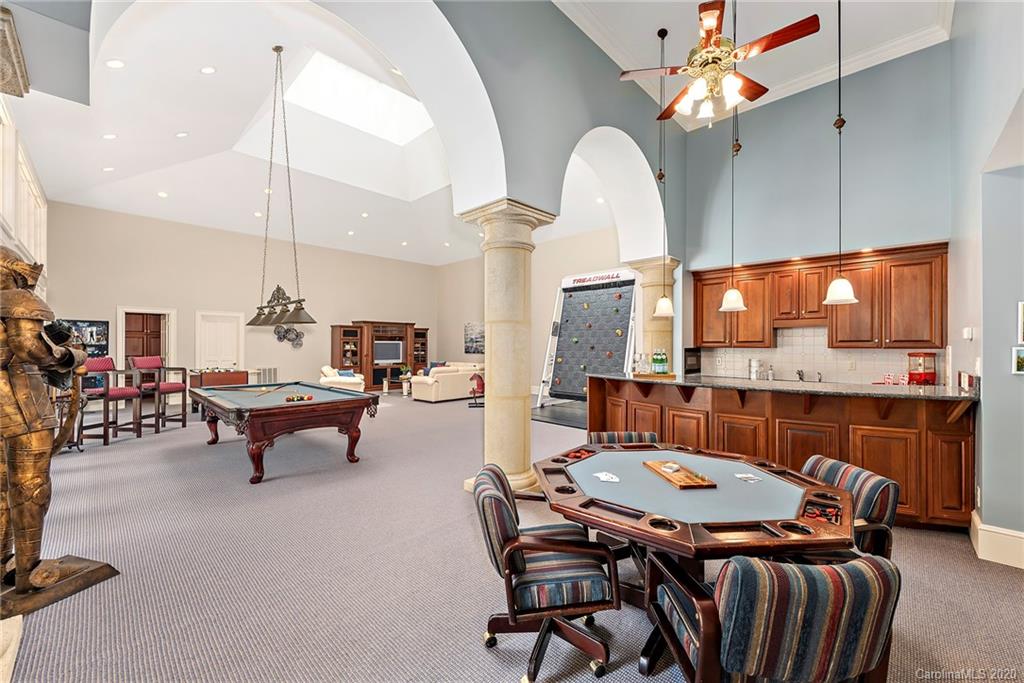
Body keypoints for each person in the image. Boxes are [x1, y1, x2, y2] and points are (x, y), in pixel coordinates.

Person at [0, 246, 86, 593]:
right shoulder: (16, 299)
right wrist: (74, 354)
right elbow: (32, 350)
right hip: (22, 404)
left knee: (5, 487)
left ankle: (7, 558)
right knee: (31, 488)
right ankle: (28, 570)